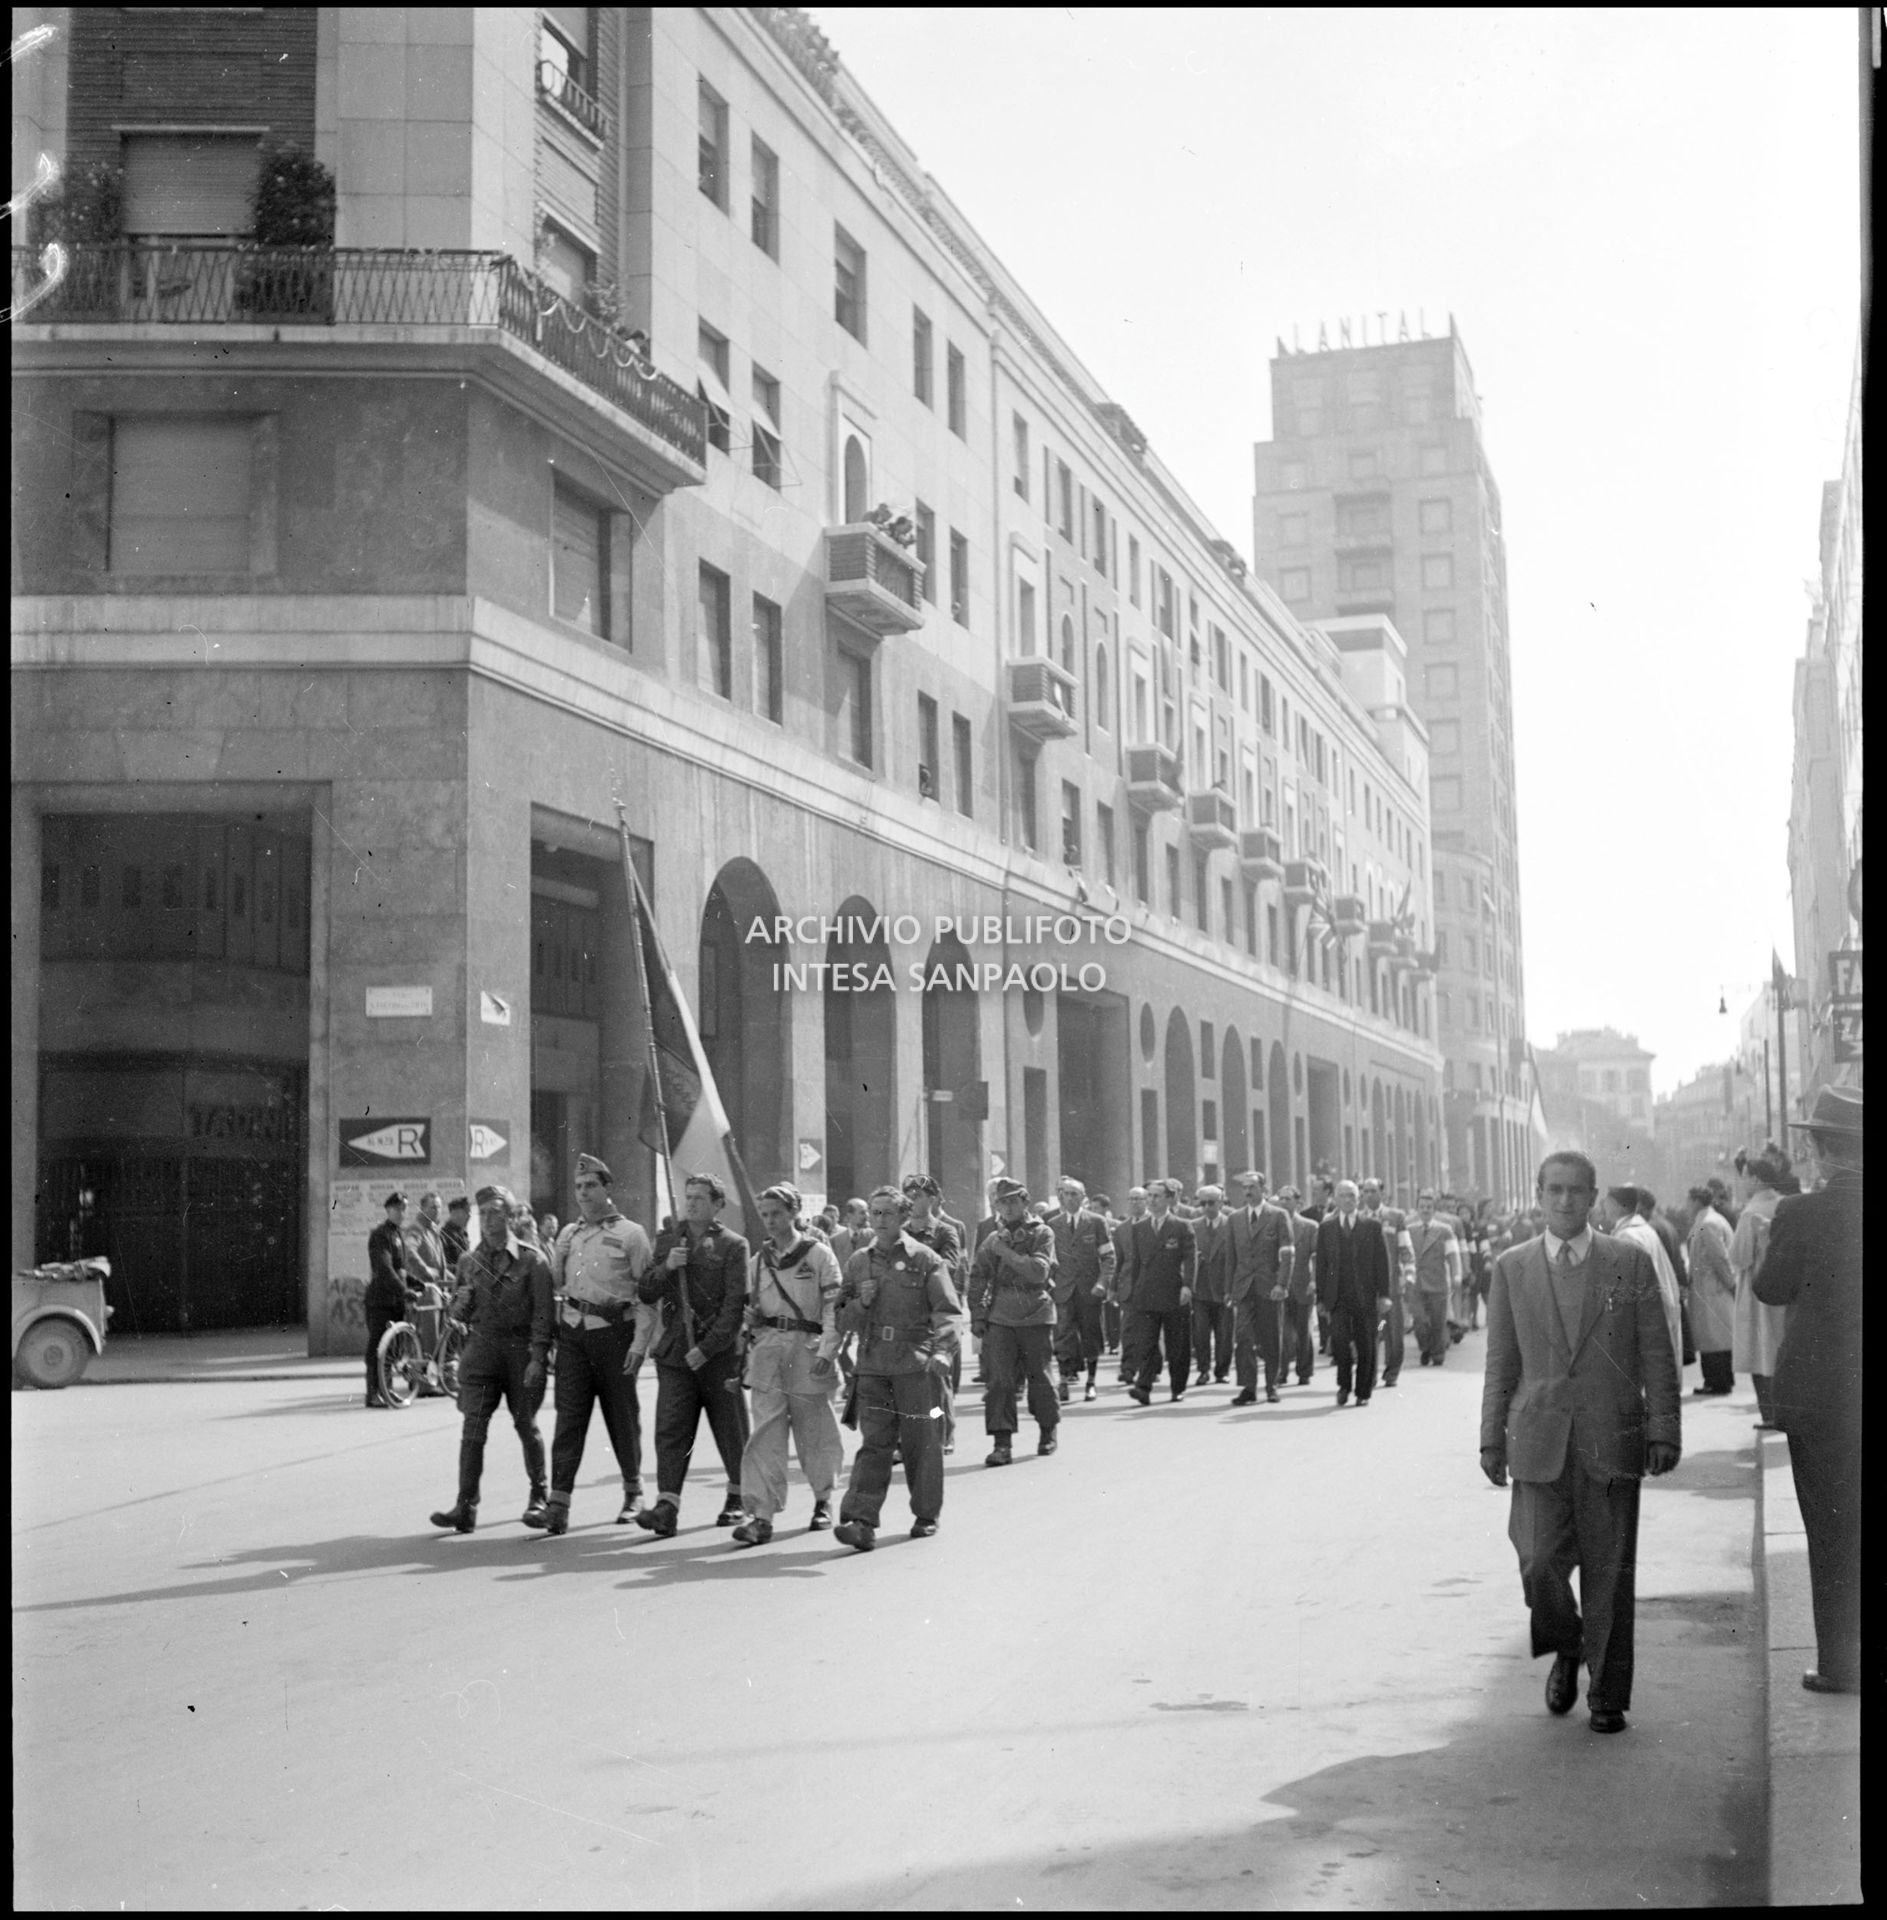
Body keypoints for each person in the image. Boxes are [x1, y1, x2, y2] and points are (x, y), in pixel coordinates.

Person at [1479, 1152, 1681, 1735]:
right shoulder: (1511, 1267)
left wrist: (1663, 1427)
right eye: (1554, 1191)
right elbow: (1500, 1363)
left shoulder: (1629, 1262)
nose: (1565, 1201)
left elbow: (1655, 1353)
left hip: (1611, 1435)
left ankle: (1608, 1696)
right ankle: (1569, 1646)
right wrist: (1491, 1439)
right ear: (1539, 1196)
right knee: (1539, 1561)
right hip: (1537, 1439)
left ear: (1594, 1197)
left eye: (1576, 1192)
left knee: (1610, 1573)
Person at [1755, 1085, 1862, 1694]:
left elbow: (1771, 1287)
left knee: (1829, 1530)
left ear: (1822, 1149)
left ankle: (1840, 1664)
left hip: (1821, 1397)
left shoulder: (1800, 1212)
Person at [833, 1186, 961, 1549]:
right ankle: (860, 1520)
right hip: (873, 1364)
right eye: (875, 1213)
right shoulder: (859, 1261)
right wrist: (861, 1302)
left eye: (888, 1213)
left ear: (904, 1218)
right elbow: (841, 1318)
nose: (880, 1220)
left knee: (923, 1441)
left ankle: (926, 1513)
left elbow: (947, 1312)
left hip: (916, 1364)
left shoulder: (925, 1259)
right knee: (875, 1443)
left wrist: (943, 1351)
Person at [531, 1154, 653, 1536]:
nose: (583, 1193)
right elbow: (556, 1285)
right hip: (574, 1335)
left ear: (607, 1189)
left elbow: (647, 1296)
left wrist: (639, 1345)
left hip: (614, 1335)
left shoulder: (632, 1235)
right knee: (568, 1420)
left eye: (591, 1186)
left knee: (621, 1418)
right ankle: (559, 1504)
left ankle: (634, 1493)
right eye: (579, 1187)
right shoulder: (568, 1235)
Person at [428, 1185, 554, 1533]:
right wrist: (460, 1302)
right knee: (473, 1430)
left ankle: (539, 1498)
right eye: (483, 1213)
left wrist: (538, 1358)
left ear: (511, 1217)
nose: (489, 1219)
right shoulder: (469, 1262)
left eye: (497, 1212)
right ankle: (464, 1506)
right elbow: (457, 1313)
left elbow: (544, 1316)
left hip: (519, 1351)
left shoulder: (533, 1260)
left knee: (525, 1424)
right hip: (481, 1350)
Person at [633, 1172, 751, 1536]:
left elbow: (734, 1308)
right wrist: (668, 1266)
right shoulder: (670, 1239)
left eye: (701, 1197)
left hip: (716, 1356)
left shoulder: (733, 1245)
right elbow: (646, 1291)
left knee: (730, 1429)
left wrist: (708, 1348)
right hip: (676, 1354)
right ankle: (667, 1506)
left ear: (718, 1204)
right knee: (670, 1430)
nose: (692, 1203)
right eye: (689, 1196)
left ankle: (738, 1496)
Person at [732, 1183, 844, 1545]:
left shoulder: (818, 1255)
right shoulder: (758, 1262)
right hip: (768, 1353)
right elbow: (752, 1313)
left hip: (807, 1351)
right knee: (765, 1434)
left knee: (816, 1431)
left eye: (776, 1213)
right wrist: (750, 1319)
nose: (769, 1221)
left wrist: (828, 1352)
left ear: (794, 1212)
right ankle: (761, 1515)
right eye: (764, 1215)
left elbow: (833, 1309)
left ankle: (823, 1500)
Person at [968, 1177, 1059, 1463]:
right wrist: (978, 1316)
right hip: (1000, 1316)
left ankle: (1047, 1430)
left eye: (1012, 1201)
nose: (1007, 1207)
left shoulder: (1041, 1232)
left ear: (1025, 1201)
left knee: (1040, 1377)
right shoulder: (990, 1234)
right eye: (1001, 1202)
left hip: (1035, 1311)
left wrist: (1005, 1253)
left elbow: (1038, 1272)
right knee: (999, 1382)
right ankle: (1002, 1442)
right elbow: (978, 1276)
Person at [901, 1173, 966, 1451]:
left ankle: (942, 1433)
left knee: (936, 1381)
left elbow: (949, 1267)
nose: (912, 1201)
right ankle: (905, 1438)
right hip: (902, 1312)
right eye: (908, 1195)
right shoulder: (898, 1230)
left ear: (932, 1199)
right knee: (902, 1379)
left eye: (918, 1195)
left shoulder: (944, 1232)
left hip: (933, 1312)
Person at [1314, 1180, 1392, 1407]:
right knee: (1339, 1342)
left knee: (1366, 1343)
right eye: (1343, 1195)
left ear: (1358, 1199)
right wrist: (1320, 1298)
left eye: (1352, 1195)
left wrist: (1384, 1295)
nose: (1348, 1199)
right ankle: (1344, 1385)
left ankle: (1363, 1391)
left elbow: (1382, 1263)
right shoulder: (1327, 1228)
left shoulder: (1372, 1226)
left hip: (1365, 1297)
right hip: (1337, 1297)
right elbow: (1321, 1265)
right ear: (1335, 1199)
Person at [1119, 1179, 1196, 1405]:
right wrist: (1131, 1292)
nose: (1151, 1200)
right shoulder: (1139, 1227)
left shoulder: (1181, 1226)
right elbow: (1135, 1264)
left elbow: (1190, 1260)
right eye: (1149, 1196)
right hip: (1146, 1293)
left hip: (1174, 1292)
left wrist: (1188, 1286)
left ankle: (1177, 1387)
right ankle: (1143, 1386)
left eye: (1157, 1196)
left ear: (1169, 1199)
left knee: (1177, 1345)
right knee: (1147, 1342)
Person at [1730, 1148, 1790, 1430]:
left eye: (1744, 1177)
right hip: (1786, 1291)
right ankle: (1785, 1412)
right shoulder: (1784, 1203)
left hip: (1756, 1292)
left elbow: (1739, 1257)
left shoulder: (1750, 1213)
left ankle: (1769, 1415)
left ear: (1755, 1179)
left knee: (1759, 1353)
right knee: (1780, 1350)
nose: (1741, 1182)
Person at [1596, 1186, 1683, 1376]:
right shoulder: (1642, 1229)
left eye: (1607, 1202)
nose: (1603, 1206)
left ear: (1618, 1205)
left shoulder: (1628, 1235)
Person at [1042, 1176, 1115, 1403]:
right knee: (1063, 1335)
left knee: (1090, 1335)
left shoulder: (1096, 1222)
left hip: (1089, 1290)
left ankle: (1091, 1382)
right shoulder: (1052, 1224)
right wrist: (1049, 1286)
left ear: (1083, 1198)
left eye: (1075, 1194)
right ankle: (1064, 1381)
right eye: (1066, 1194)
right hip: (1063, 1290)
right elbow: (1047, 1260)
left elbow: (1108, 1257)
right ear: (1061, 1197)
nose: (1070, 1198)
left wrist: (1103, 1283)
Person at [1226, 1170, 1295, 1405]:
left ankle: (1272, 1385)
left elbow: (1287, 1253)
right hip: (1244, 1287)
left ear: (1263, 1190)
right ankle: (1248, 1386)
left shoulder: (1278, 1215)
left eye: (1252, 1187)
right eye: (1244, 1187)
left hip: (1269, 1286)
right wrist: (1229, 1289)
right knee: (1243, 1336)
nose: (1247, 1191)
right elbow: (1231, 1257)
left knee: (1270, 1338)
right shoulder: (1235, 1218)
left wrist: (1281, 1283)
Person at [1359, 1177, 1414, 1388]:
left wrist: (1409, 1276)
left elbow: (1406, 1249)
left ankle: (1391, 1372)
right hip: (1366, 1288)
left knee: (1393, 1331)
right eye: (1366, 1191)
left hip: (1391, 1287)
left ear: (1382, 1193)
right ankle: (1370, 1374)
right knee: (1373, 1330)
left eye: (1373, 1191)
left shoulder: (1395, 1217)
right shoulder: (1358, 1218)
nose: (1369, 1195)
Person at [364, 1191, 415, 1409]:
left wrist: (416, 1283)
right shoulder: (381, 1235)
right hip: (381, 1301)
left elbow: (400, 1268)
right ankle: (373, 1393)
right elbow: (385, 1269)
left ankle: (387, 1389)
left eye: (404, 1208)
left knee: (391, 1350)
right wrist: (404, 1290)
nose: (402, 1213)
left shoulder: (398, 1234)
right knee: (377, 1348)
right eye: (398, 1208)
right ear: (388, 1210)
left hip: (395, 1301)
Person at [1684, 1184, 1737, 1395]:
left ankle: (1717, 1382)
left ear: (1696, 1201)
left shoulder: (1707, 1224)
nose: (1686, 1206)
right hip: (1709, 1290)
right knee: (1714, 1338)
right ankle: (1718, 1381)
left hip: (1712, 1290)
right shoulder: (1712, 1220)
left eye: (1688, 1201)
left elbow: (1720, 1258)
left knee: (1714, 1339)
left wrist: (1731, 1285)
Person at [1407, 1187, 1462, 1366]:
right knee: (1420, 1321)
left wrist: (1456, 1274)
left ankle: (1437, 1353)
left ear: (1434, 1210)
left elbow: (1453, 1254)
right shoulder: (1409, 1230)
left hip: (1438, 1282)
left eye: (1428, 1207)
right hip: (1415, 1283)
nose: (1425, 1210)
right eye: (1422, 1207)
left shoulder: (1444, 1230)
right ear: (1417, 1209)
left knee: (1438, 1322)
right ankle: (1426, 1347)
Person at [1189, 1185, 1235, 1385]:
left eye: (1212, 1202)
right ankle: (1203, 1369)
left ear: (1221, 1202)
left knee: (1225, 1333)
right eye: (1203, 1203)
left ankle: (1222, 1370)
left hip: (1224, 1286)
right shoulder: (1193, 1225)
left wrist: (1233, 1288)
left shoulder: (1231, 1224)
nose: (1207, 1207)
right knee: (1200, 1332)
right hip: (1200, 1288)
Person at [1275, 1184, 1320, 1385]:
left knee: (1304, 1331)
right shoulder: (1272, 1224)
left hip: (1303, 1285)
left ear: (1298, 1203)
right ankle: (1281, 1372)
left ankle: (1304, 1371)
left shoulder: (1310, 1227)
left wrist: (1314, 1281)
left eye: (1288, 1199)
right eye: (1281, 1199)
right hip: (1279, 1285)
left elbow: (1317, 1256)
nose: (1283, 1202)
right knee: (1282, 1331)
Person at [1108, 1187, 1148, 1377]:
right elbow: (1119, 1260)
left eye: (1138, 1199)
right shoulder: (1122, 1228)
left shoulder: (1155, 1223)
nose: (1134, 1203)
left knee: (1150, 1330)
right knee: (1128, 1328)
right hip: (1128, 1285)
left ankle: (1149, 1367)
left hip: (1151, 1285)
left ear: (1147, 1201)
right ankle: (1128, 1368)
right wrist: (1113, 1287)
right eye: (1131, 1199)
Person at [440, 1193, 472, 1274]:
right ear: (455, 1213)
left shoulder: (463, 1234)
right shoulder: (443, 1236)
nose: (470, 1215)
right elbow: (441, 1266)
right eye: (467, 1212)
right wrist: (462, 1268)